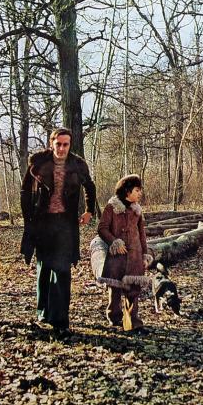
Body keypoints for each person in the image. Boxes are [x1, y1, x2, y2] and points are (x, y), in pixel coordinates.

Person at [20, 128, 97, 339]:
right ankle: (44, 311)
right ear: (51, 143)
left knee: (62, 270)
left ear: (70, 145)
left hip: (66, 223)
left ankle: (60, 320)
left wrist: (89, 210)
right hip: (43, 223)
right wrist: (28, 218)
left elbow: (90, 186)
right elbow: (25, 192)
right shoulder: (38, 163)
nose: (62, 148)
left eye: (66, 144)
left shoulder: (77, 164)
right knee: (44, 267)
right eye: (58, 144)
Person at [97, 174, 151, 334]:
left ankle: (133, 323)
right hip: (117, 258)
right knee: (115, 290)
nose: (140, 193)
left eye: (140, 190)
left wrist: (145, 255)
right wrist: (114, 242)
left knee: (134, 290)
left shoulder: (137, 211)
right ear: (127, 191)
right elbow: (102, 228)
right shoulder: (111, 208)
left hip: (135, 256)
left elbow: (142, 235)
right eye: (137, 190)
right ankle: (115, 319)